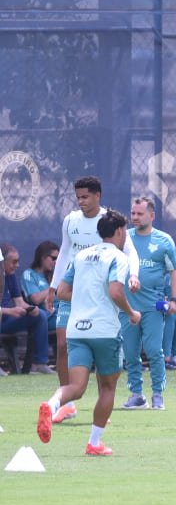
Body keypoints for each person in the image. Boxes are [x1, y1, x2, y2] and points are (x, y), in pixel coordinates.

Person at [36, 209, 141, 455]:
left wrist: (86, 298)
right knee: (108, 387)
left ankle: (51, 405)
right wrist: (131, 312)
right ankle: (94, 443)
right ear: (119, 231)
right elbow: (115, 292)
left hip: (76, 330)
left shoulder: (81, 256)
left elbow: (62, 292)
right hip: (104, 330)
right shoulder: (118, 257)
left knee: (76, 387)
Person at [47, 176, 141, 420]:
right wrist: (53, 287)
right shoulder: (71, 221)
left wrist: (133, 275)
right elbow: (65, 252)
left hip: (99, 294)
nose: (81, 201)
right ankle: (66, 405)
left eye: (85, 197)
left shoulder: (111, 222)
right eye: (78, 197)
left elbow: (130, 251)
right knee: (62, 343)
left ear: (98, 195)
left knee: (101, 352)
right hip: (73, 291)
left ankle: (101, 408)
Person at [119, 197, 176, 410]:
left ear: (152, 215)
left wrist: (173, 299)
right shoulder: (124, 238)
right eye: (133, 213)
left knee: (155, 351)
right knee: (130, 353)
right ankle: (137, 395)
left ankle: (157, 394)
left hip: (152, 307)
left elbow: (175, 271)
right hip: (127, 307)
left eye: (140, 213)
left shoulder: (164, 240)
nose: (135, 217)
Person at [1, 243, 54, 375]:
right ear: (2, 262)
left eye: (18, 261)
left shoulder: (11, 276)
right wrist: (9, 311)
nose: (17, 265)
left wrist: (30, 308)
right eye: (14, 262)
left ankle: (38, 364)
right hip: (3, 318)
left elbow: (19, 301)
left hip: (7, 321)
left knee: (40, 315)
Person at [21, 241, 59, 331]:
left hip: (62, 313)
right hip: (47, 318)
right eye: (53, 258)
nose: (56, 262)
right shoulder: (29, 274)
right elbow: (36, 299)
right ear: (43, 257)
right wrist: (55, 286)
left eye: (58, 259)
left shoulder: (55, 275)